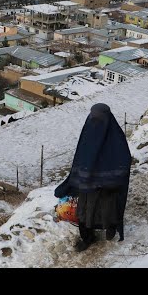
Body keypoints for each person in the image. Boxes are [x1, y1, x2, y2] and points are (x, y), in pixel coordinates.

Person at [54, 103, 132, 252]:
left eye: (99, 117)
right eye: (93, 116)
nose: (95, 120)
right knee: (84, 213)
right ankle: (88, 238)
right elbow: (81, 156)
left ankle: (110, 229)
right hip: (88, 185)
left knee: (107, 210)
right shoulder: (89, 131)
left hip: (108, 187)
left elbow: (124, 159)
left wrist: (109, 178)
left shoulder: (115, 137)